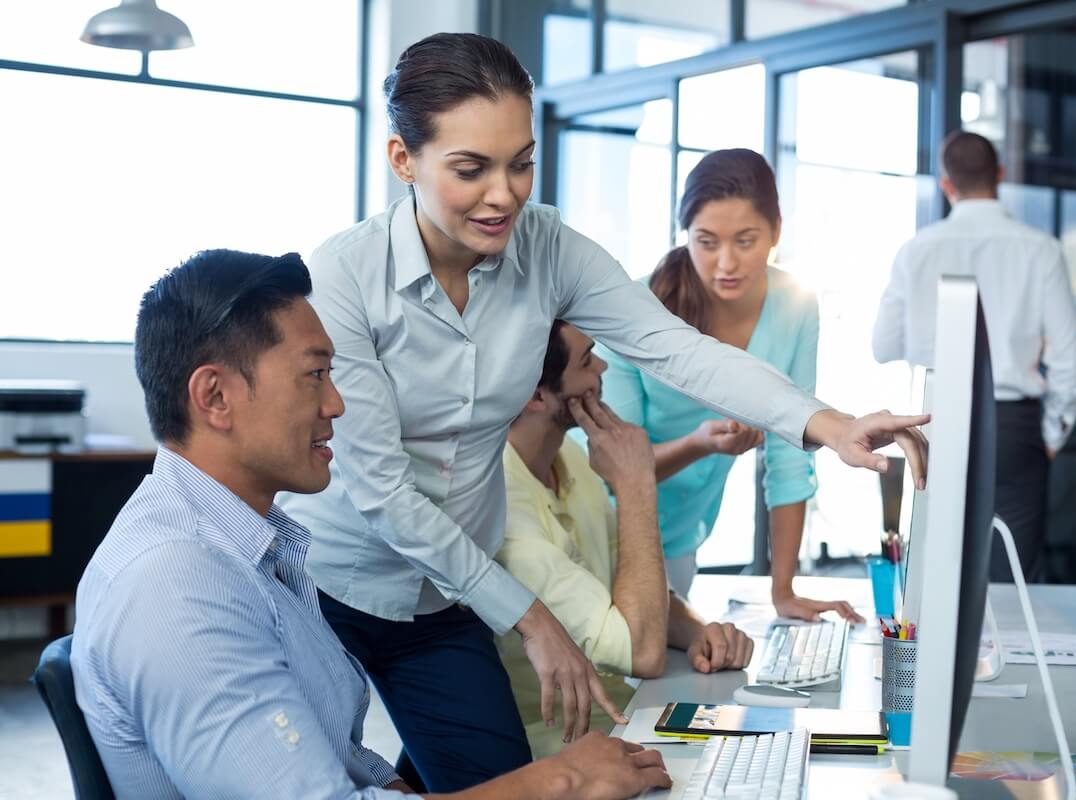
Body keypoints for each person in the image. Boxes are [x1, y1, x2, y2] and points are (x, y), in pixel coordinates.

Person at [279, 33, 927, 791]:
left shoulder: (548, 248)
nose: (505, 193)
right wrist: (531, 618)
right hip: (336, 585)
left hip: (447, 595)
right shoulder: (345, 277)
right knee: (321, 783)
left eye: (521, 162)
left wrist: (829, 424)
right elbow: (386, 494)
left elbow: (676, 348)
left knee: (492, 773)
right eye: (471, 168)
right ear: (403, 160)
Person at [70, 249, 671, 800]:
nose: (336, 405)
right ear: (216, 397)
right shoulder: (177, 586)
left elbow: (345, 763)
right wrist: (560, 780)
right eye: (315, 375)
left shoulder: (252, 546)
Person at [593, 148, 864, 619]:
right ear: (686, 236)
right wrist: (700, 444)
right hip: (598, 524)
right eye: (707, 241)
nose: (726, 263)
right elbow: (616, 468)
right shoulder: (636, 309)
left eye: (746, 240)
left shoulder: (795, 306)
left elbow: (789, 456)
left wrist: (784, 592)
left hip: (680, 535)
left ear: (776, 232)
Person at [497, 321, 755, 757]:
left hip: (623, 715)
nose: (601, 367)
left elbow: (636, 588)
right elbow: (642, 653)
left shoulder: (567, 455)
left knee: (764, 746)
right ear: (536, 395)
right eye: (586, 361)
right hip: (559, 745)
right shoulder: (503, 506)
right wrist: (636, 482)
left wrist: (696, 631)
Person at [872, 131, 1076, 581]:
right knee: (1009, 572)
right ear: (1001, 176)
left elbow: (884, 346)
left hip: (934, 419)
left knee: (937, 569)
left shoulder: (915, 251)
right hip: (1013, 426)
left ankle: (933, 655)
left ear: (946, 183)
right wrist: (1053, 432)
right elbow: (1071, 356)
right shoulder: (1040, 249)